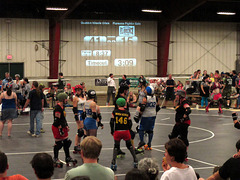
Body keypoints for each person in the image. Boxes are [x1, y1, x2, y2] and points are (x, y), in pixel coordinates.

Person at [110, 98, 138, 171]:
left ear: (117, 104)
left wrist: (112, 130)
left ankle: (113, 162)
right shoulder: (127, 112)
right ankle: (135, 160)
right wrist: (129, 129)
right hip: (125, 131)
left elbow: (112, 122)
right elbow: (130, 122)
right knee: (129, 145)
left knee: (116, 146)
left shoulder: (115, 112)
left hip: (118, 131)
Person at [52, 93, 77, 167]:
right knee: (59, 144)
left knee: (67, 142)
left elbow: (63, 118)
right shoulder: (57, 108)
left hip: (62, 127)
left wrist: (66, 126)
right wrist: (60, 129)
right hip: (57, 127)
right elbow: (57, 120)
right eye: (66, 99)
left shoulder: (62, 107)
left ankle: (67, 157)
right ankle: (55, 158)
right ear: (62, 99)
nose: (67, 100)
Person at [135, 86, 160, 150]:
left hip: (146, 115)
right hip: (153, 115)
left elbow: (142, 108)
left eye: (146, 90)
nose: (145, 91)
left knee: (141, 129)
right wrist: (155, 113)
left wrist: (138, 116)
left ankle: (142, 141)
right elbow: (157, 107)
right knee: (150, 130)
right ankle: (149, 144)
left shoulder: (145, 98)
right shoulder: (155, 97)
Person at [168, 90, 191, 160]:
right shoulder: (180, 102)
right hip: (178, 123)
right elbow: (176, 109)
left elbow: (188, 109)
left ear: (180, 96)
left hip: (183, 124)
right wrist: (175, 101)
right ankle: (172, 152)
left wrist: (184, 116)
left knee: (183, 139)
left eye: (177, 95)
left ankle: (184, 154)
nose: (176, 96)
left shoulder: (184, 102)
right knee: (172, 137)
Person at [72, 85, 86, 153]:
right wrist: (76, 116)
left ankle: (79, 145)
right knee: (80, 131)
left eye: (79, 90)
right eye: (76, 90)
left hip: (84, 114)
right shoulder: (75, 98)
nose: (77, 91)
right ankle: (76, 145)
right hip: (79, 114)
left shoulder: (84, 96)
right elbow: (74, 108)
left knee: (83, 130)